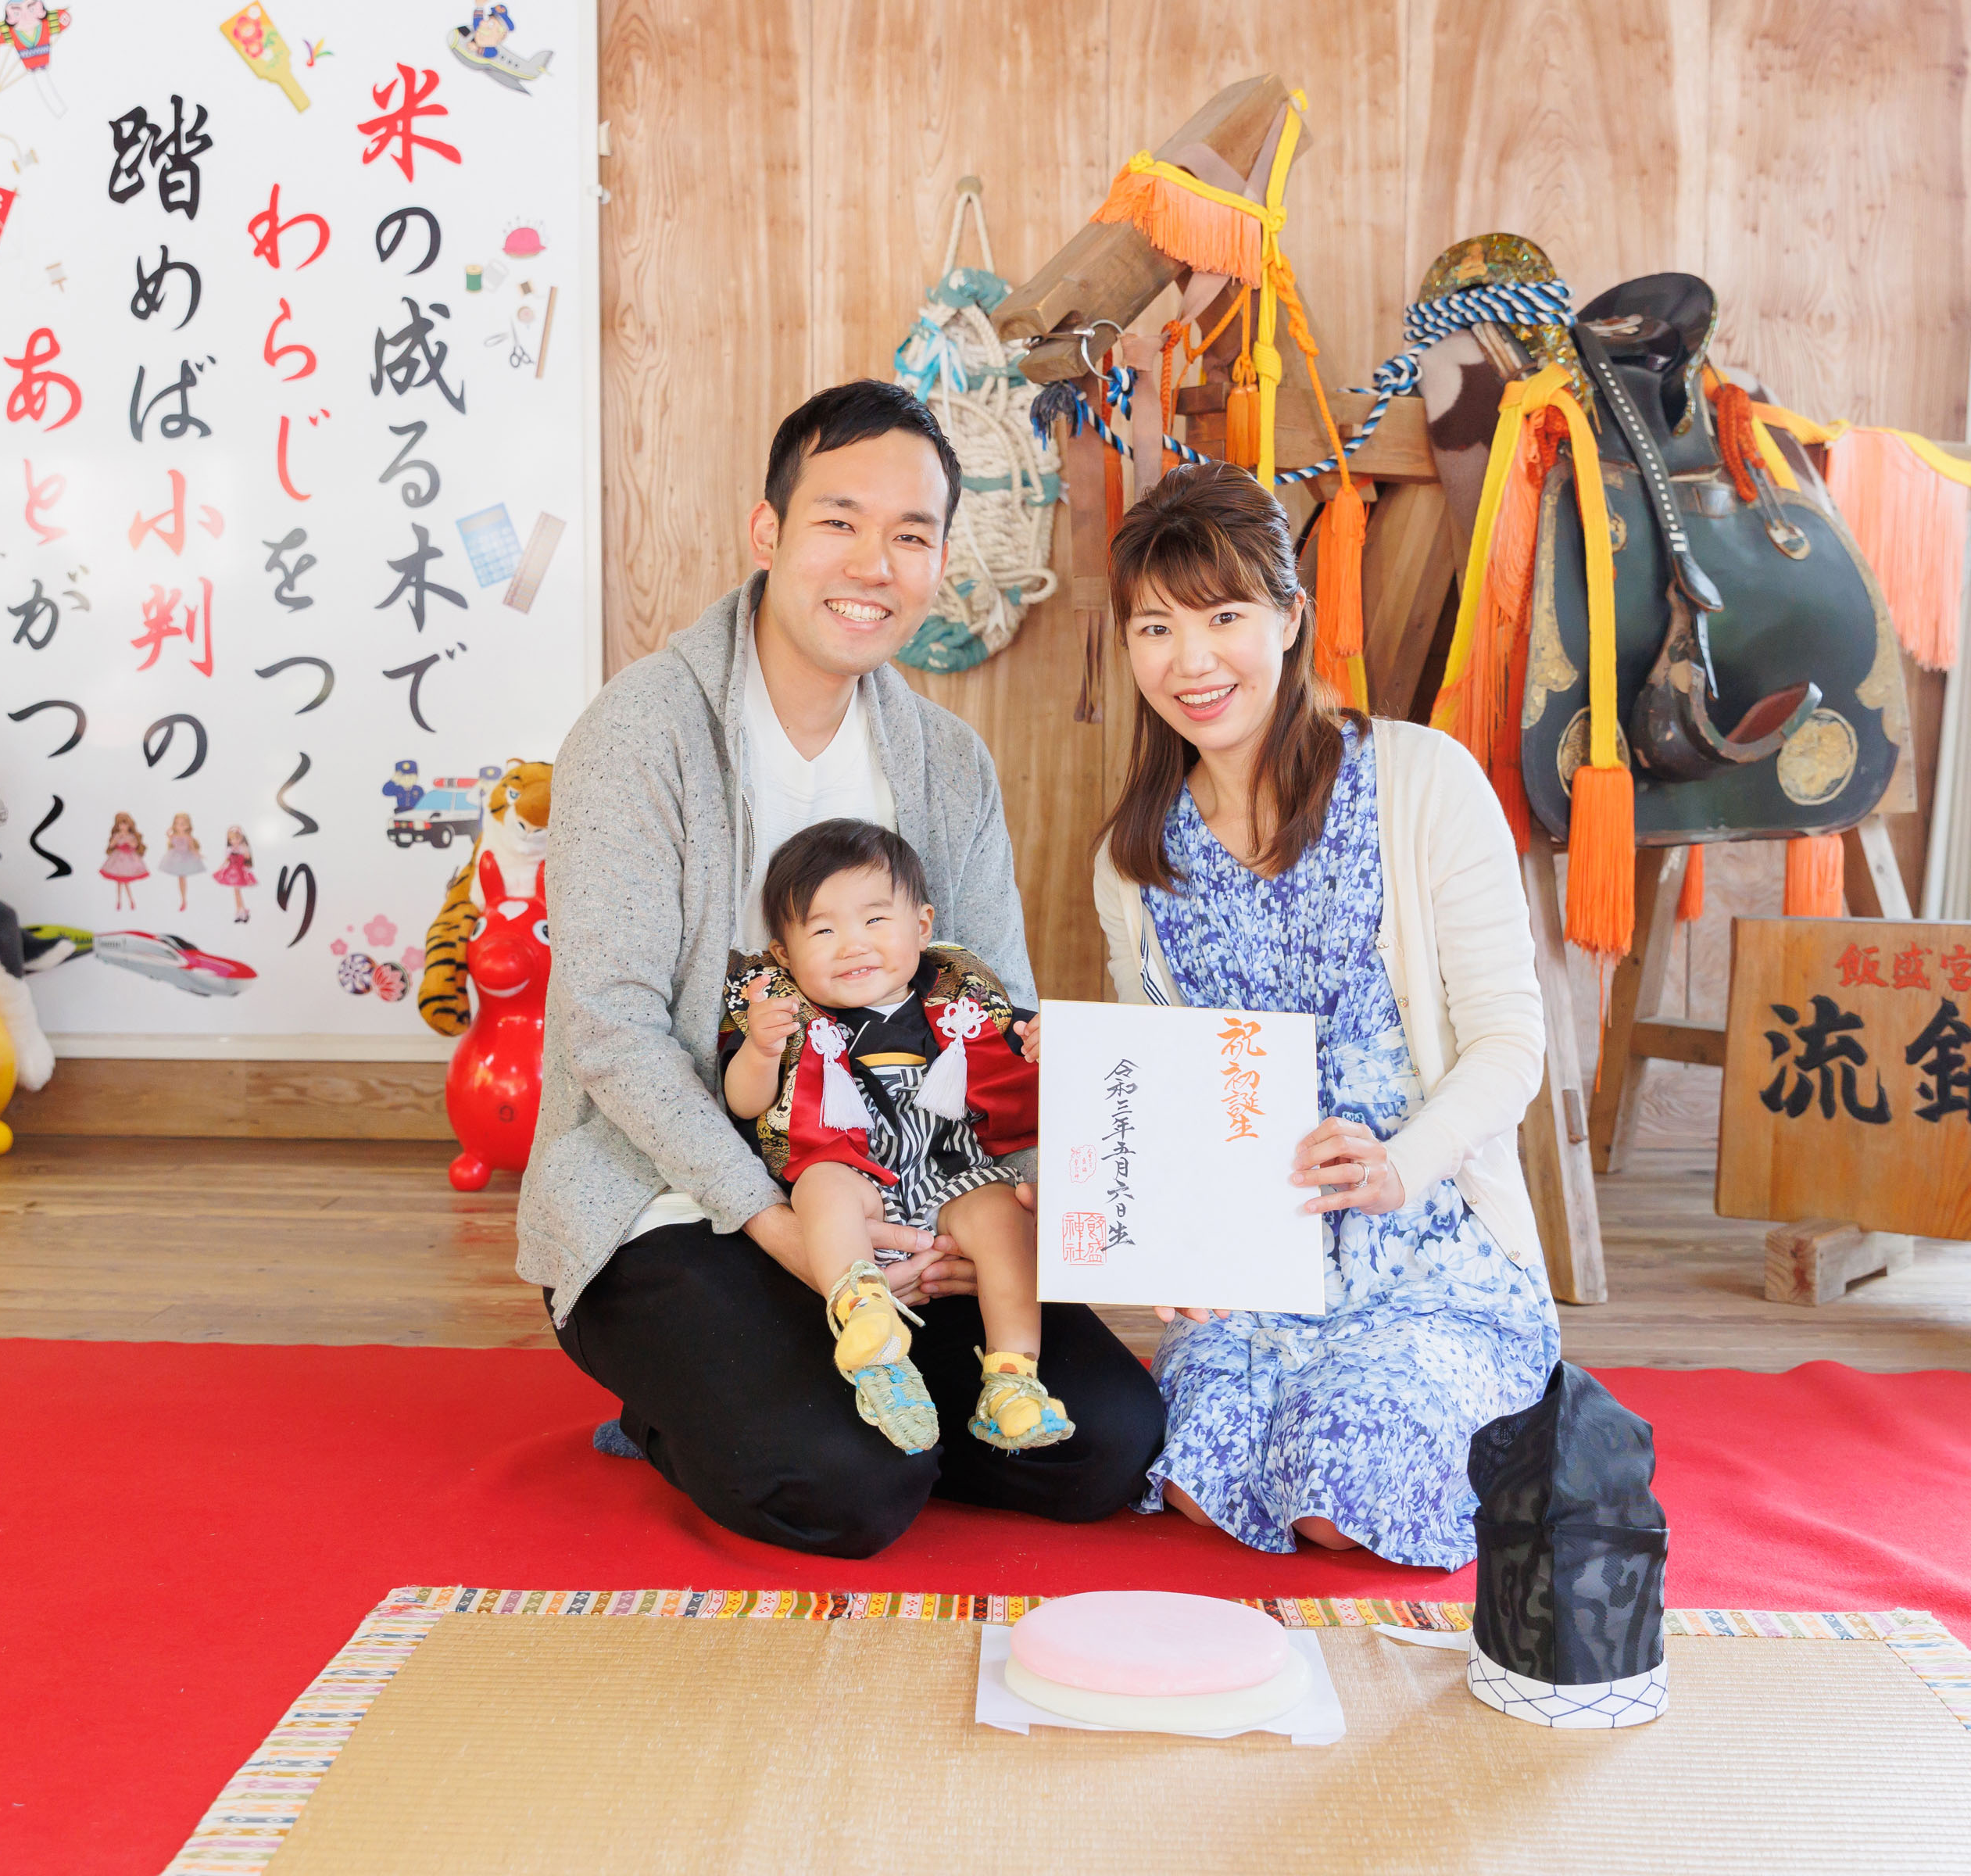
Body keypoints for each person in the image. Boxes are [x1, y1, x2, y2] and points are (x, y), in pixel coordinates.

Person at [524, 379, 1162, 1558]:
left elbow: (996, 1012)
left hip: (910, 1190)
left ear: (938, 562)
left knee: (1108, 1446)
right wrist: (775, 1224)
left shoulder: (947, 764)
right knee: (847, 1489)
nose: (874, 563)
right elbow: (609, 1026)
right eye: (839, 521)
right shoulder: (640, 733)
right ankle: (679, 1401)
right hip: (687, 1203)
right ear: (768, 536)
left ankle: (856, 1391)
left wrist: (988, 1222)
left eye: (911, 535)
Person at [1091, 462, 1561, 1566]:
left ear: (1291, 618)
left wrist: (1407, 1161)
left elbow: (1509, 1041)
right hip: (1258, 1272)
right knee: (1203, 1482)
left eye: (1225, 616)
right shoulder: (1134, 859)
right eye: (1155, 627)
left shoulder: (1422, 782)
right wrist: (1163, 1243)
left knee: (1334, 1493)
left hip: (1432, 1254)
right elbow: (1164, 1100)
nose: (1192, 661)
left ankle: (1503, 1417)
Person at [719, 818, 1062, 1458]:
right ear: (785, 955)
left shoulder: (963, 1000)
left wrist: (1048, 1046)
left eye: (875, 921)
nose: (853, 945)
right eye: (823, 930)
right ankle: (864, 1316)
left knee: (1006, 1216)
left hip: (950, 1169)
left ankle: (1013, 1378)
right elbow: (743, 1103)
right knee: (821, 1188)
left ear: (923, 927)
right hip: (855, 1172)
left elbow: (1024, 1072)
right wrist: (762, 1051)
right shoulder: (782, 1015)